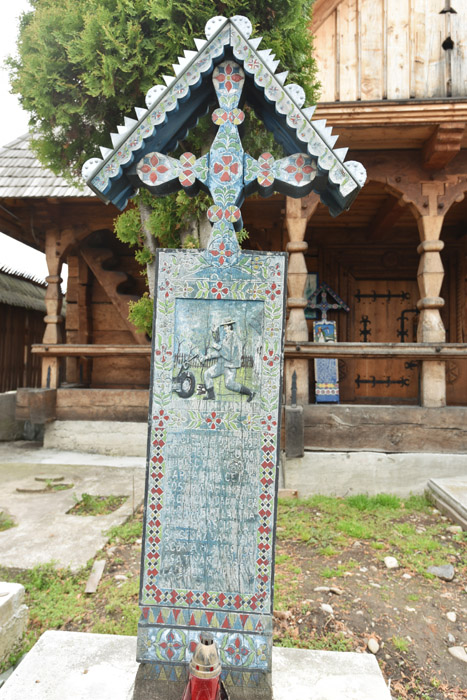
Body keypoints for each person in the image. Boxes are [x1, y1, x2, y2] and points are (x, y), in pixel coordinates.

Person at [201, 319, 254, 401]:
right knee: (207, 374)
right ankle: (211, 395)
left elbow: (228, 355)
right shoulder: (226, 337)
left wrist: (217, 347)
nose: (224, 328)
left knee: (229, 384)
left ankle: (250, 392)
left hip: (229, 366)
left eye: (225, 326)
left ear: (229, 326)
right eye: (224, 327)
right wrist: (207, 357)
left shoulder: (234, 338)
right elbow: (220, 353)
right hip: (221, 364)